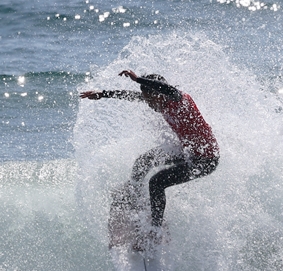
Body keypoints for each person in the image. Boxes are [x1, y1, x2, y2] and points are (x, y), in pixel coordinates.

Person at [80, 70, 219, 248]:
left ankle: (155, 231)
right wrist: (104, 94)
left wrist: (138, 79)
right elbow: (132, 96)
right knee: (143, 161)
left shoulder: (179, 99)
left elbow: (168, 89)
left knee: (156, 182)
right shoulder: (161, 102)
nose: (148, 104)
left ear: (158, 94)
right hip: (187, 153)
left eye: (150, 99)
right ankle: (134, 196)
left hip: (205, 160)